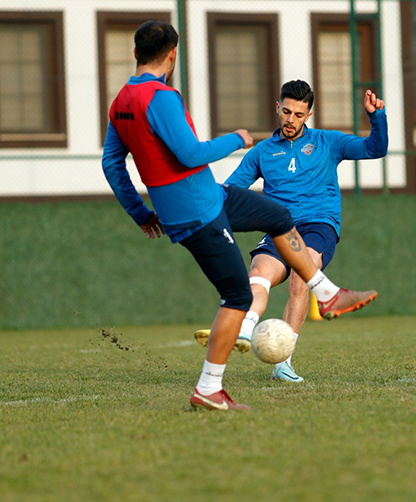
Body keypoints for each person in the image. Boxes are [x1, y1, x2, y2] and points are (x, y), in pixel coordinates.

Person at [101, 21, 377, 411]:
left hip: (205, 198)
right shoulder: (162, 97)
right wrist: (236, 139)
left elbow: (112, 165)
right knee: (238, 296)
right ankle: (209, 387)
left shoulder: (120, 103)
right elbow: (190, 155)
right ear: (173, 55)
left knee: (277, 216)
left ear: (134, 53)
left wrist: (141, 213)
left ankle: (327, 292)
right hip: (200, 207)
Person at [194, 80, 388, 382]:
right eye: (286, 112)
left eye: (298, 114)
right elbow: (230, 192)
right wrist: (201, 207)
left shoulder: (328, 141)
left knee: (301, 275)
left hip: (318, 225)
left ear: (308, 115)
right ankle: (244, 329)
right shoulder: (261, 152)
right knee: (258, 272)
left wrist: (376, 117)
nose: (290, 120)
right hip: (279, 227)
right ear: (278, 107)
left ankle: (283, 363)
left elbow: (375, 149)